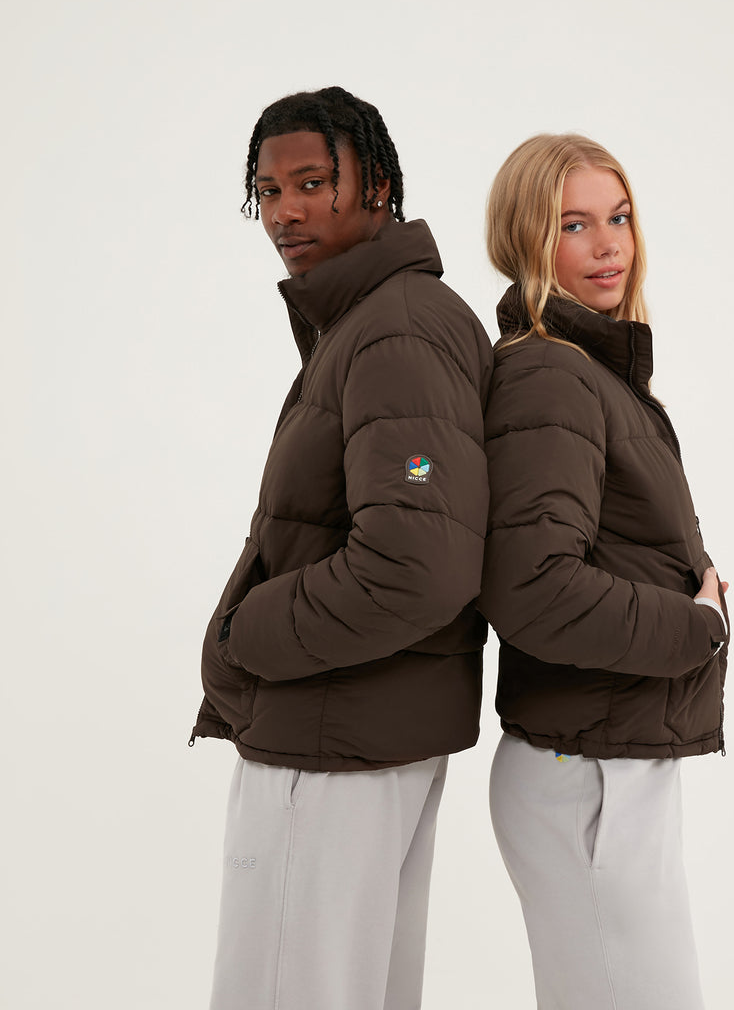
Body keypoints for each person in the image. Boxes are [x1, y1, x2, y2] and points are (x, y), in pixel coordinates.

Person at [189, 86, 493, 1010]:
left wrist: (246, 633)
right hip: (362, 738)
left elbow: (417, 561)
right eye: (269, 191)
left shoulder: (396, 330)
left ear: (379, 185)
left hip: (329, 747)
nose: (286, 211)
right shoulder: (378, 320)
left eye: (313, 182)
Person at [478, 134, 730, 1010]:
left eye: (617, 217)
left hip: (603, 754)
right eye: (573, 225)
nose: (608, 245)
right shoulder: (552, 374)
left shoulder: (594, 371)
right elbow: (535, 587)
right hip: (586, 772)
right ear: (525, 240)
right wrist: (698, 627)